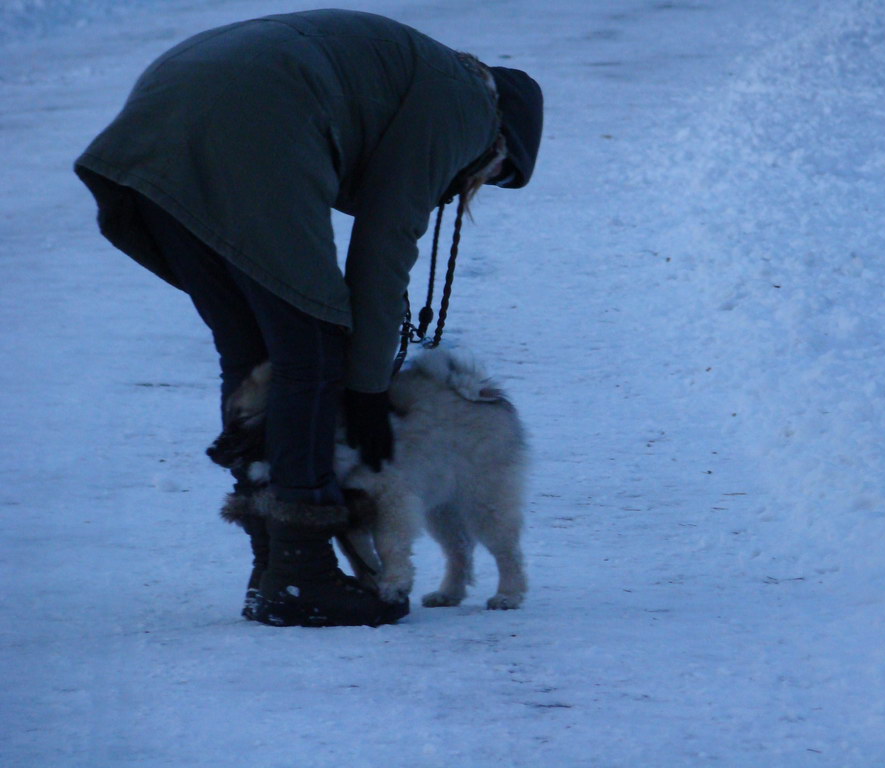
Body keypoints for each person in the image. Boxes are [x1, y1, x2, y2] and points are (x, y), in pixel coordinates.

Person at [74, 9, 543, 627]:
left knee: (259, 358)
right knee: (312, 348)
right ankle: (299, 574)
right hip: (250, 124)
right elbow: (382, 253)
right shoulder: (464, 105)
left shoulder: (411, 75)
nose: (469, 188)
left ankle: (272, 564)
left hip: (156, 129)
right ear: (500, 139)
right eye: (496, 176)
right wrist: (369, 390)